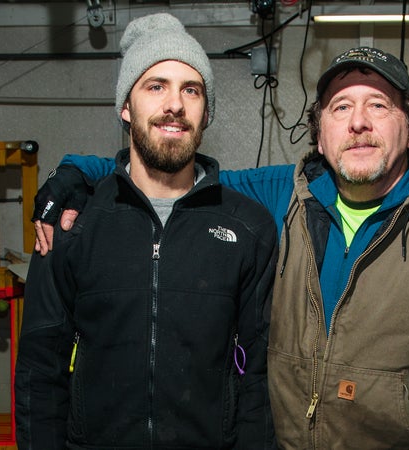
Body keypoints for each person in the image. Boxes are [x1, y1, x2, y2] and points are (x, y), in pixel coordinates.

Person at [31, 46, 409, 448]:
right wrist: (73, 172)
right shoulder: (280, 197)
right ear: (320, 130)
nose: (359, 122)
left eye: (378, 106)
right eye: (342, 107)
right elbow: (173, 173)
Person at [14, 13, 278, 450]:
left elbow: (260, 378)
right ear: (125, 106)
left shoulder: (247, 228)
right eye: (155, 86)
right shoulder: (73, 226)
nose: (174, 104)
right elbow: (40, 372)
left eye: (190, 90)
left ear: (205, 112)